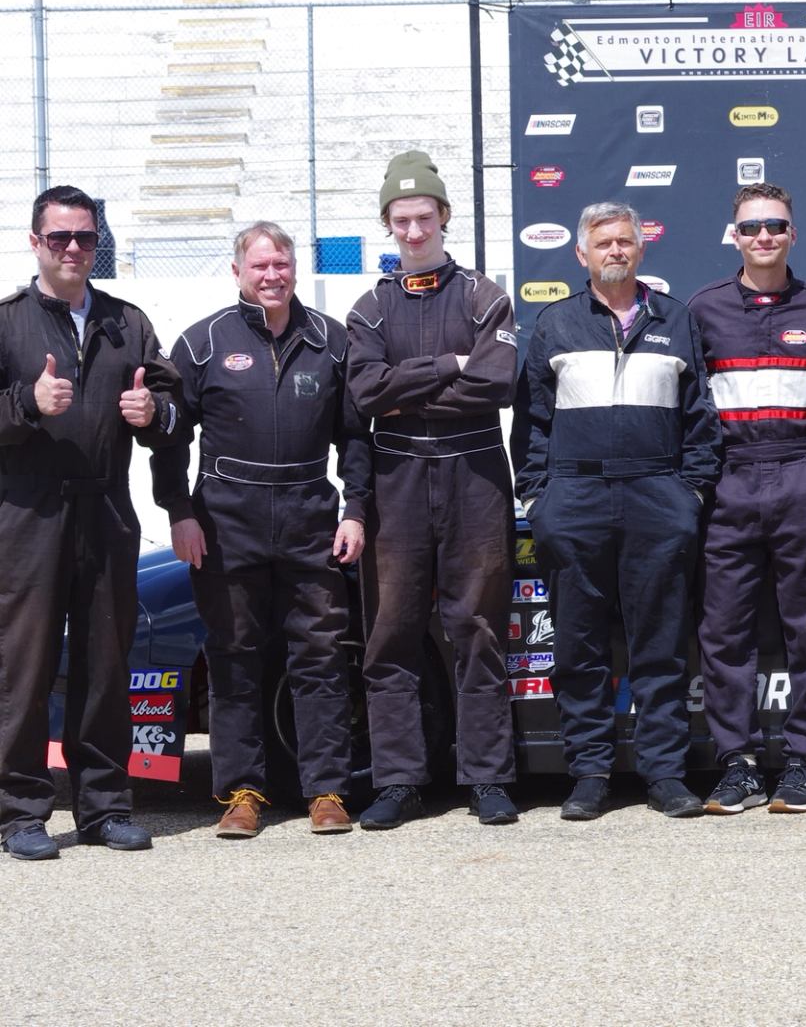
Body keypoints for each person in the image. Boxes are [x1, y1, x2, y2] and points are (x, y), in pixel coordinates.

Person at [157, 222, 372, 837]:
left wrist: (355, 508)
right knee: (233, 659)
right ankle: (242, 795)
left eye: (281, 264)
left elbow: (356, 437)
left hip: (310, 520)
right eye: (259, 266)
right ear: (237, 273)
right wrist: (179, 512)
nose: (272, 276)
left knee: (322, 657)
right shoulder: (201, 344)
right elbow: (170, 435)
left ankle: (326, 792)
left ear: (295, 268)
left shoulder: (332, 342)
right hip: (225, 524)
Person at [517, 202, 720, 820]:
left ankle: (664, 774)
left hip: (658, 497)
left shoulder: (676, 320)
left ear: (641, 249)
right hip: (573, 499)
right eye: (602, 243)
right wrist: (538, 498)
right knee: (579, 646)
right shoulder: (554, 323)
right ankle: (589, 774)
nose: (615, 251)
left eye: (625, 242)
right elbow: (531, 425)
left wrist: (690, 496)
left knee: (660, 644)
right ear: (581, 255)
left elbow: (700, 420)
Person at [0, 186, 184, 861]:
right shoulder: (8, 323)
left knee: (108, 665)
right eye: (59, 238)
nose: (74, 249)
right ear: (35, 242)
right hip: (28, 517)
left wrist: (153, 413)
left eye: (84, 238)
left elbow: (172, 405)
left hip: (106, 511)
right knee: (24, 666)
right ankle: (20, 812)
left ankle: (105, 806)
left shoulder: (126, 322)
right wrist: (25, 401)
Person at [347, 150, 520, 829]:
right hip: (398, 484)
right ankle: (397, 780)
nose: (414, 230)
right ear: (389, 226)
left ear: (444, 216)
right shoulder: (369, 307)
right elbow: (364, 392)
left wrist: (407, 388)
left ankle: (488, 777)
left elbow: (495, 385)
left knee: (476, 628)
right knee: (391, 632)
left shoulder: (483, 294)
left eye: (424, 217)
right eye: (401, 219)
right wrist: (449, 364)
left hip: (475, 474)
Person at [687, 184, 806, 816]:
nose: (764, 237)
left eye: (776, 225)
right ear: (735, 236)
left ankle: (804, 762)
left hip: (803, 473)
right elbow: (689, 411)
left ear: (793, 234)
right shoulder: (703, 310)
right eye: (751, 228)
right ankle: (738, 763)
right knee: (724, 631)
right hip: (731, 478)